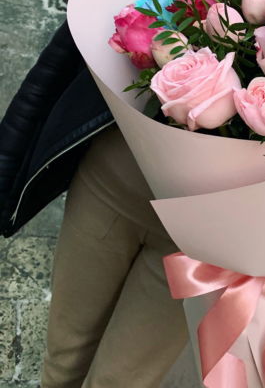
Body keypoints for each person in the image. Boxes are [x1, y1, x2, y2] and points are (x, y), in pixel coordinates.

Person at [0, 22, 188, 387]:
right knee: (63, 360)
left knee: (120, 382)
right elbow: (63, 57)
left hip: (205, 238)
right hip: (111, 182)